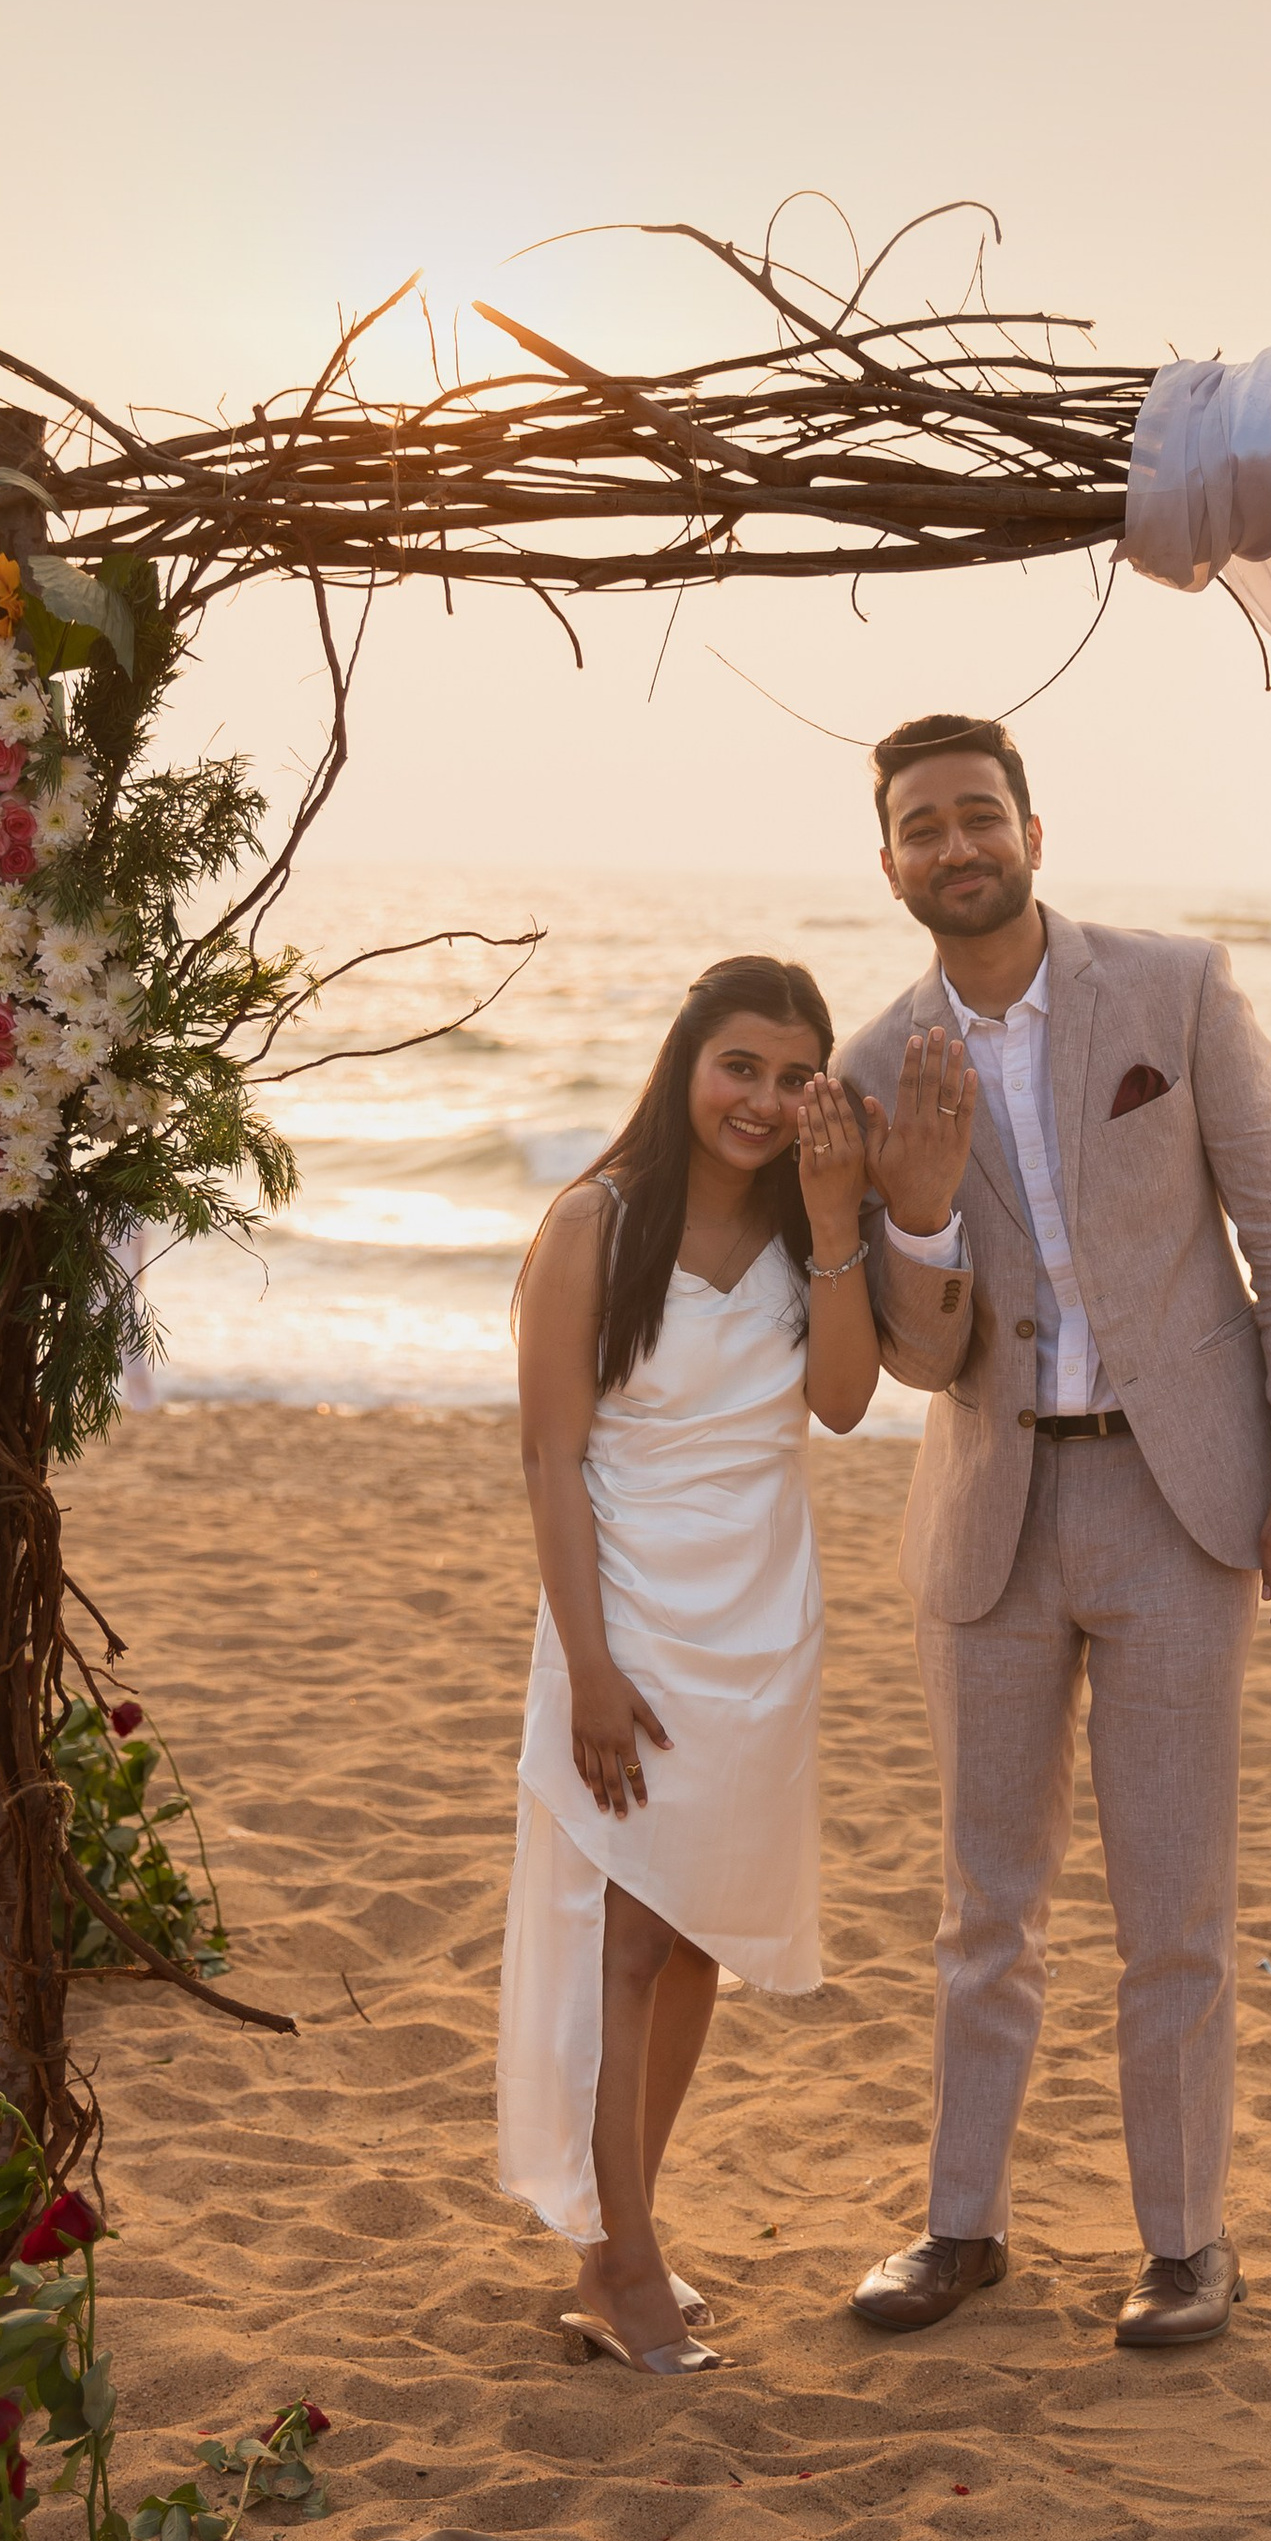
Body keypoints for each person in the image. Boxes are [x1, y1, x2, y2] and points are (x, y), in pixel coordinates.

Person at [840, 715, 1271, 2350]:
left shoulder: (1175, 989)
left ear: (1034, 831)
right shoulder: (870, 1065)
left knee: (1174, 1907)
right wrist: (916, 1204)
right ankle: (959, 2227)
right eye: (923, 827)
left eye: (978, 815)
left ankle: (1187, 2245)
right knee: (982, 1906)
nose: (955, 846)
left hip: (1175, 1493)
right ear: (890, 862)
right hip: (989, 1509)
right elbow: (916, 1356)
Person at [501, 952, 974, 2373]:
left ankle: (619, 2224)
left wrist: (840, 1213)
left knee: (695, 1930)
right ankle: (619, 2258)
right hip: (628, 1605)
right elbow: (548, 1457)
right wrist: (586, 1664)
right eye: (737, 1067)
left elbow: (839, 1402)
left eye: (790, 1075)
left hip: (762, 1620)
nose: (760, 1100)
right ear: (684, 1064)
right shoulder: (596, 1219)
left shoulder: (796, 1227)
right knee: (627, 1935)